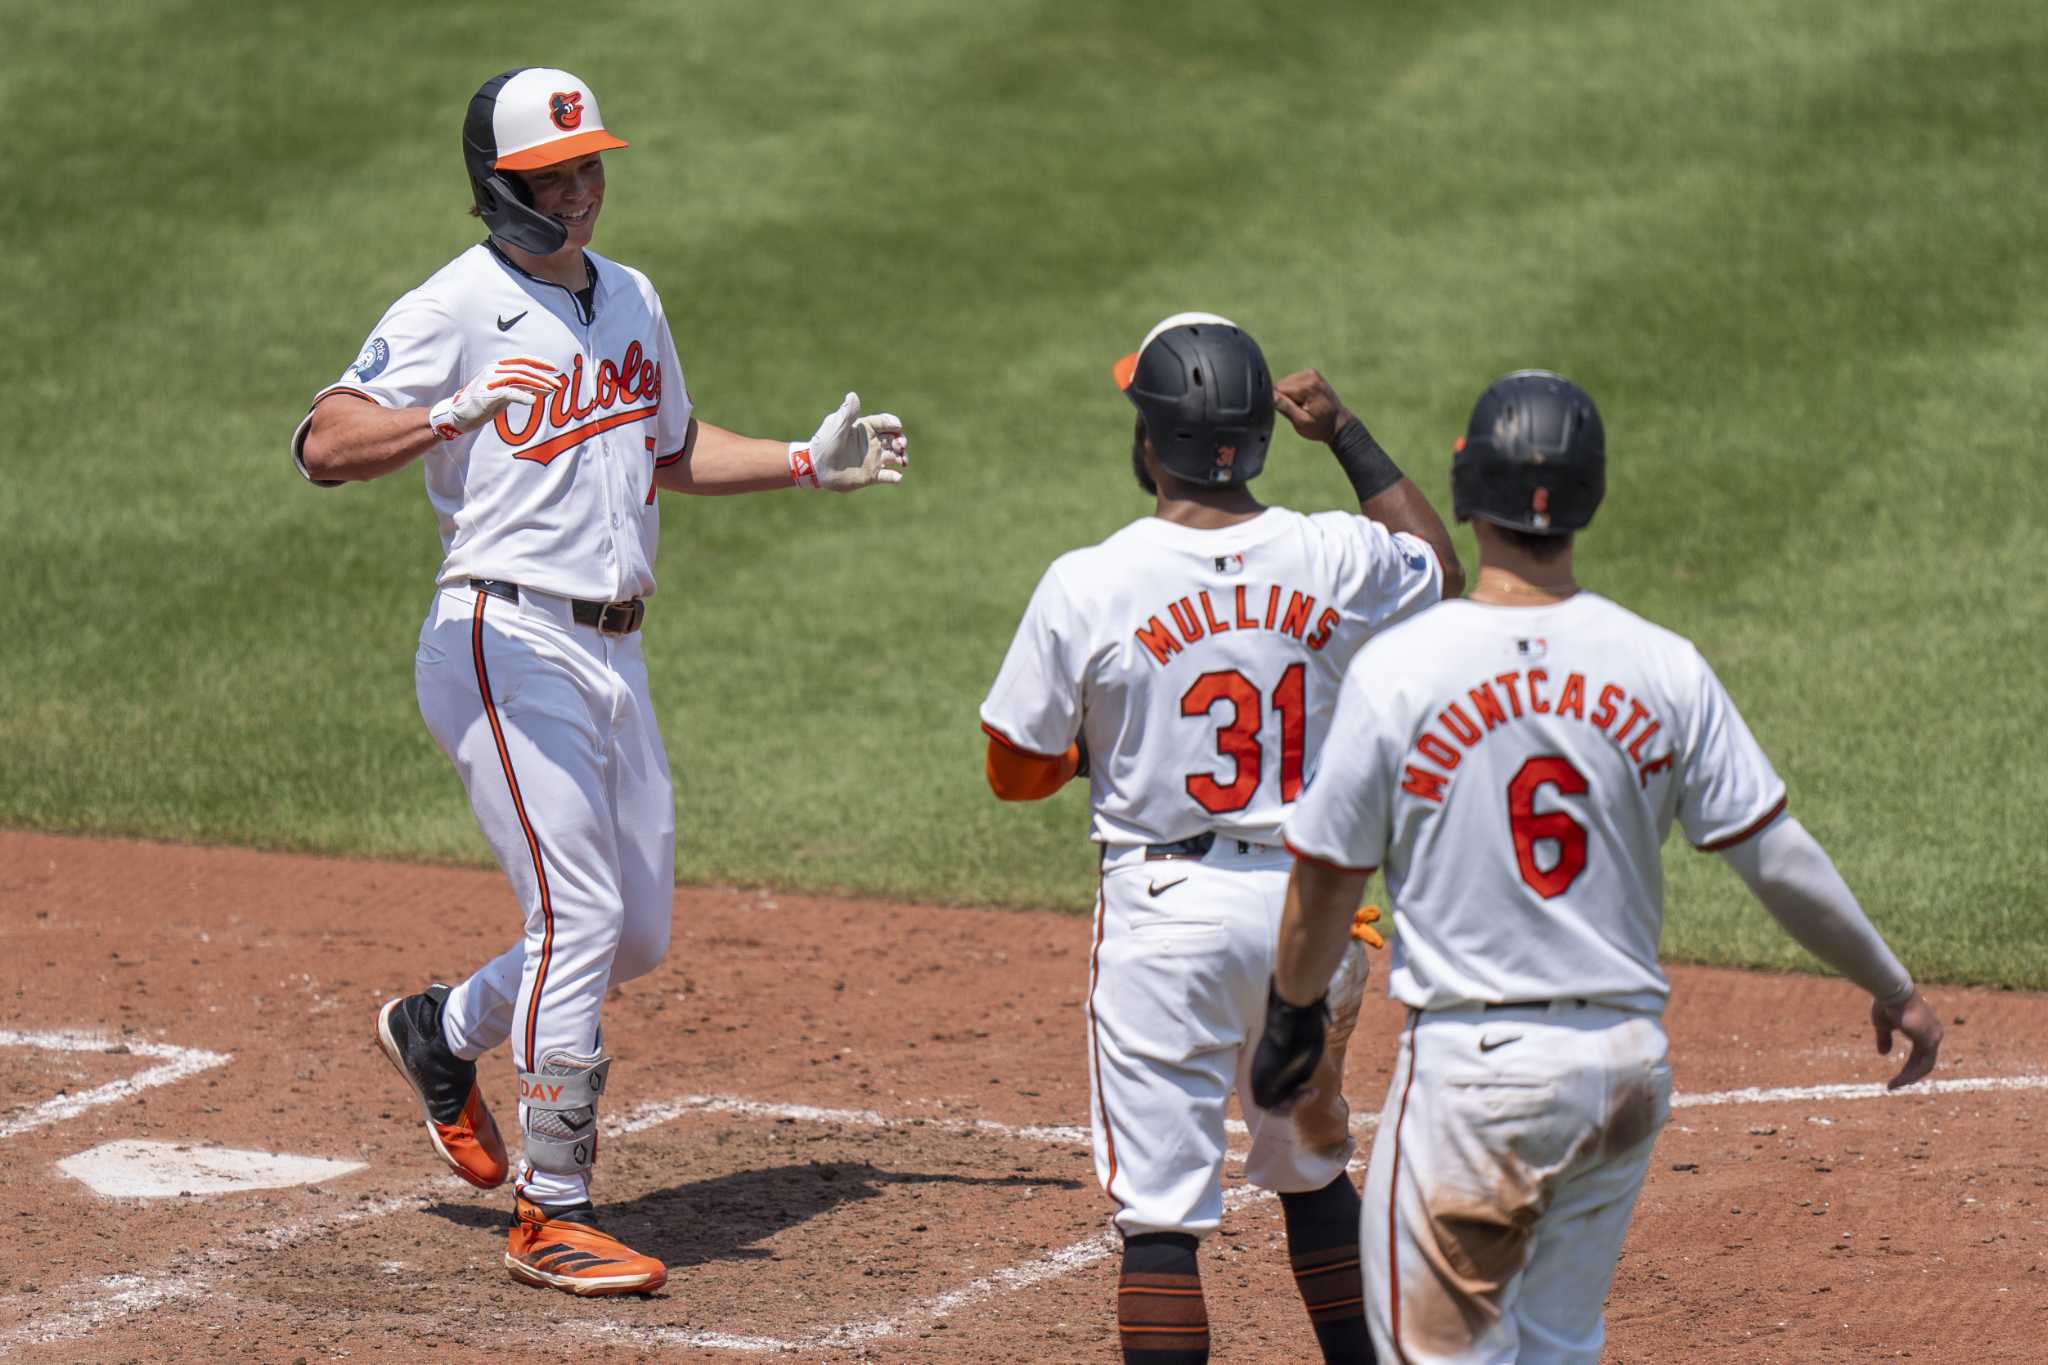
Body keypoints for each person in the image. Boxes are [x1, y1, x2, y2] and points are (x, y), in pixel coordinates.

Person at [291, 67, 908, 1297]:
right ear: (499, 188)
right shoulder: (455, 304)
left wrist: (800, 461)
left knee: (631, 934)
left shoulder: (629, 297)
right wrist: (445, 414)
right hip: (499, 638)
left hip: (617, 650)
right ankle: (550, 1212)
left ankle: (439, 1030)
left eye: (589, 169)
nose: (580, 194)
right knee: (576, 920)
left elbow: (667, 448)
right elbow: (323, 443)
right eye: (553, 177)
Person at [1254, 370, 1943, 1363]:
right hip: (1619, 1073)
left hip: (1473, 1084)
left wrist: (1290, 1011)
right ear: (1592, 496)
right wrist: (1890, 986)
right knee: (1554, 1346)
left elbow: (1324, 878)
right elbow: (1774, 856)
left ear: (1465, 491)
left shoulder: (1402, 671)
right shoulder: (1659, 663)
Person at [980, 312, 1464, 1364]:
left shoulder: (1087, 579)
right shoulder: (1333, 552)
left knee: (1160, 1220)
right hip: (1314, 920)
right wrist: (1343, 432)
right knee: (1309, 1176)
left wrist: (1097, 755)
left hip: (1168, 924)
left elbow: (1012, 772)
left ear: (1151, 443)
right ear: (1252, 442)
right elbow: (1441, 567)